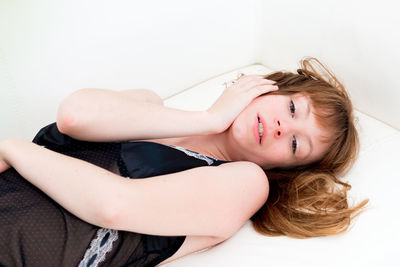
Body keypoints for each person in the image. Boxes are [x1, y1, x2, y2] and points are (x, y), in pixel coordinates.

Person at [0, 57, 368, 266]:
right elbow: (74, 117)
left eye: (294, 144)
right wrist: (208, 119)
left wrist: (14, 149)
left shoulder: (244, 182)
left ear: (283, 169)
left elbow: (114, 206)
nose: (279, 127)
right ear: (265, 86)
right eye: (291, 108)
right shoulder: (149, 104)